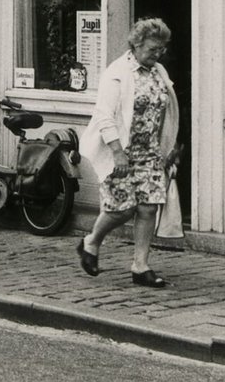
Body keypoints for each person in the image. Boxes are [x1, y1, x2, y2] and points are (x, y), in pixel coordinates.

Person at [77, 17, 180, 288]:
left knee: (148, 208)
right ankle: (91, 242)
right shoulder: (118, 72)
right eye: (151, 49)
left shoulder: (159, 72)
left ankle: (140, 266)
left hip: (150, 153)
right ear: (136, 45)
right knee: (121, 209)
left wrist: (168, 148)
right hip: (121, 153)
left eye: (161, 49)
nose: (157, 54)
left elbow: (167, 114)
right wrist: (117, 151)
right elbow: (103, 115)